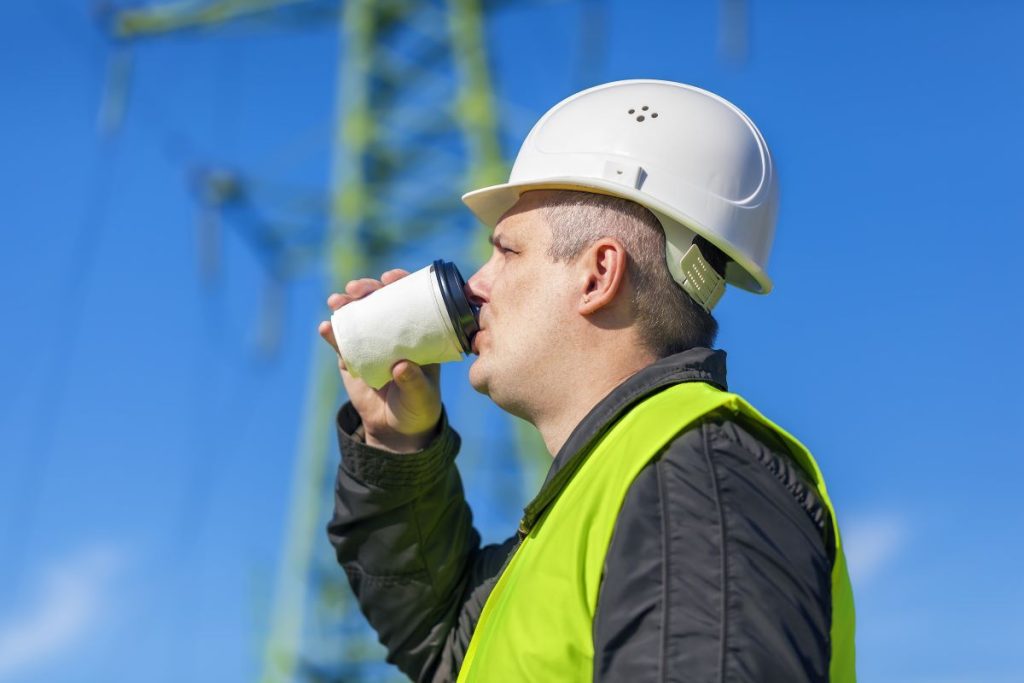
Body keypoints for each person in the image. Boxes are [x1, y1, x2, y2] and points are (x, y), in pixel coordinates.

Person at [317, 80, 856, 682]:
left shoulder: (698, 478)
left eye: (507, 252)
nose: (475, 284)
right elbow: (448, 645)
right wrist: (397, 442)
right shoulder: (609, 493)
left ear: (598, 274)